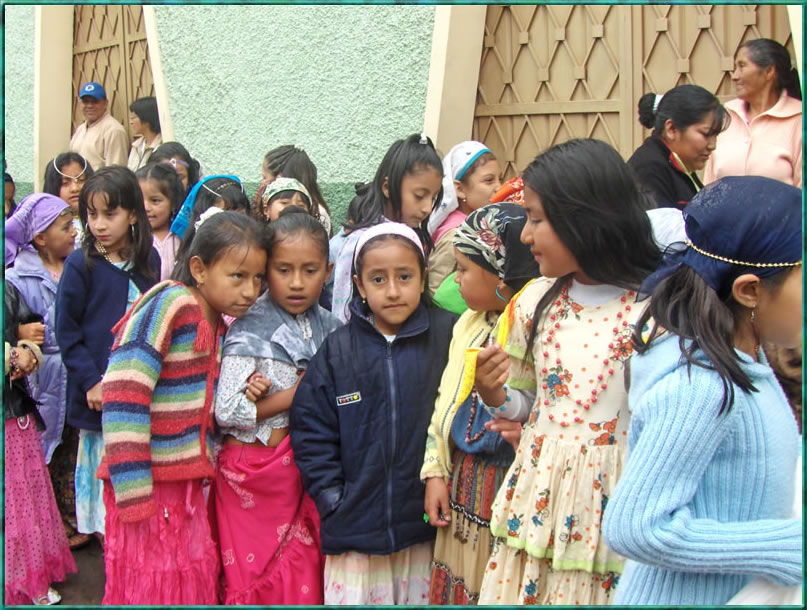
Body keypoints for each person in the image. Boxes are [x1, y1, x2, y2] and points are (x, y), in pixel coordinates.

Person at [472, 139, 661, 605]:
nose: (525, 236)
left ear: (585, 217)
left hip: (613, 513)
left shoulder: (655, 314)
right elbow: (530, 404)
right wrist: (495, 396)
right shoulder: (535, 303)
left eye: (536, 219)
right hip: (539, 505)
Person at [601, 176, 803, 605]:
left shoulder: (748, 362)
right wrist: (784, 546)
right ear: (750, 291)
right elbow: (635, 527)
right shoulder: (700, 388)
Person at [98, 210, 268, 605]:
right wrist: (133, 490)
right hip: (148, 485)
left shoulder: (220, 325)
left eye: (258, 278)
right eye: (238, 276)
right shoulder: (170, 303)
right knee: (152, 584)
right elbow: (124, 389)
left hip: (186, 488)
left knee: (183, 580)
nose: (250, 291)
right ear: (199, 268)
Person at [291, 222, 457, 604]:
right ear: (360, 285)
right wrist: (333, 498)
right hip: (355, 533)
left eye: (405, 276)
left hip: (426, 529)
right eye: (378, 279)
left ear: (423, 277)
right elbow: (311, 429)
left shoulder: (447, 338)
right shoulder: (338, 351)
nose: (393, 290)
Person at [214, 207, 340, 604]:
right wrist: (294, 394)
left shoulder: (334, 330)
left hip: (306, 472)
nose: (297, 283)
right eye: (284, 270)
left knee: (303, 576)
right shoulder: (249, 329)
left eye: (310, 270)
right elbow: (226, 411)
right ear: (267, 270)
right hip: (252, 477)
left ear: (328, 271)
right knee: (253, 577)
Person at [422, 203, 539, 604]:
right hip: (464, 483)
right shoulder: (468, 326)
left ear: (501, 277)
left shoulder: (535, 331)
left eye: (463, 269)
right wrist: (435, 470)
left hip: (513, 487)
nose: (455, 279)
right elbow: (445, 402)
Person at [54, 166, 160, 543]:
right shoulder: (81, 264)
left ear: (132, 214)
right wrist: (91, 381)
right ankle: (109, 558)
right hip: (99, 398)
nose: (98, 224)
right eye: (91, 214)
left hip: (138, 398)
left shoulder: (148, 262)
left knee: (135, 487)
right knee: (104, 497)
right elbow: (67, 332)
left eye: (109, 214)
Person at [5, 194, 88, 549]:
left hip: (74, 374)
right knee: (41, 452)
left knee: (71, 447)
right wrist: (20, 333)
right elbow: (11, 325)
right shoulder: (17, 278)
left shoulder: (80, 266)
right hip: (41, 378)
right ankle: (43, 527)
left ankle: (70, 517)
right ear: (40, 237)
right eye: (65, 227)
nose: (74, 232)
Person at [5, 280, 76, 605]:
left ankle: (28, 580)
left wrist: (27, 352)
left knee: (21, 500)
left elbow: (32, 332)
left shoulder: (7, 290)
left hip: (13, 412)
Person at [330, 133, 444, 322]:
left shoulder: (416, 239)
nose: (427, 208)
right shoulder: (357, 243)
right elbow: (342, 313)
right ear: (387, 187)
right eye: (419, 195)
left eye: (433, 198)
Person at [705, 39, 802, 187]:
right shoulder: (726, 117)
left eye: (742, 66)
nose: (734, 76)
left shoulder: (799, 120)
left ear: (769, 71)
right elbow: (709, 185)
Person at [629, 85, 728, 208]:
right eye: (706, 134)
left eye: (715, 135)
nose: (712, 145)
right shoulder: (649, 169)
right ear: (671, 129)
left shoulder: (679, 165)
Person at [427, 141, 502, 296]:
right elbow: (435, 293)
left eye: (500, 179)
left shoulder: (479, 225)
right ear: (460, 189)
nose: (499, 187)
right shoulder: (455, 236)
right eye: (489, 180)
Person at [171, 175, 251, 264]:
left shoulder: (253, 252)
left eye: (240, 216)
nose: (234, 225)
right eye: (224, 216)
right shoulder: (195, 260)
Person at [259, 144, 333, 234]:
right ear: (266, 210)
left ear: (279, 178)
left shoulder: (318, 214)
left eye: (265, 177)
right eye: (284, 203)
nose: (263, 183)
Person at [135, 163, 185, 280]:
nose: (146, 207)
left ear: (173, 203)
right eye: (139, 200)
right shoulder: (132, 238)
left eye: (155, 201)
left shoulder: (181, 237)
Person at [69, 82, 128, 169]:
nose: (89, 106)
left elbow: (116, 171)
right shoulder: (80, 129)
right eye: (86, 102)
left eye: (95, 101)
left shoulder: (113, 130)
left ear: (105, 103)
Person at [43, 152, 96, 246]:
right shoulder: (46, 227)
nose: (75, 188)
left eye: (81, 180)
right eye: (65, 183)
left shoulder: (99, 221)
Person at [127, 96, 162, 171]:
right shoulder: (136, 146)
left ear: (147, 117)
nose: (131, 122)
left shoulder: (162, 146)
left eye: (133, 117)